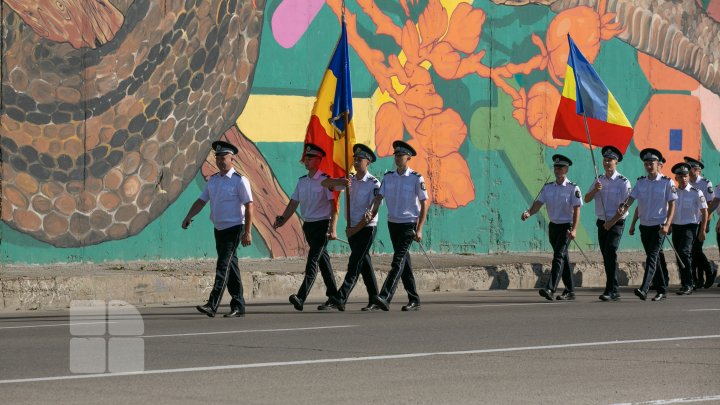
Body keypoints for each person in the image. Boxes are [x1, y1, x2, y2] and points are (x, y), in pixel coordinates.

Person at [182, 140, 253, 318]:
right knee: (231, 267)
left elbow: (249, 206)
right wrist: (189, 216)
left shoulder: (239, 180)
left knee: (223, 266)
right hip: (219, 228)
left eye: (224, 158)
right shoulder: (213, 180)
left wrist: (248, 232)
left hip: (234, 228)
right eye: (218, 157)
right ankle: (238, 305)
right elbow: (201, 201)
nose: (221, 161)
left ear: (232, 159)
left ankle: (212, 304)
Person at [273, 143, 338, 311]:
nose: (306, 161)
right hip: (308, 225)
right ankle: (335, 297)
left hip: (322, 224)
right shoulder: (302, 181)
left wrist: (333, 227)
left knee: (313, 261)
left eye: (310, 158)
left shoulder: (325, 180)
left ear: (318, 160)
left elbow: (334, 205)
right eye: (306, 158)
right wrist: (282, 219)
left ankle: (301, 297)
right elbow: (294, 202)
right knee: (323, 262)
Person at [365, 140, 428, 311]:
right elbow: (379, 198)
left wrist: (420, 228)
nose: (398, 158)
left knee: (397, 261)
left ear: (408, 157)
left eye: (401, 155)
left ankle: (384, 297)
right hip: (393, 223)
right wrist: (372, 211)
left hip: (408, 224)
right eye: (396, 155)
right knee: (404, 263)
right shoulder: (388, 177)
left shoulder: (416, 178)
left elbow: (424, 203)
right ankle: (414, 299)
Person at [320, 144, 381, 311]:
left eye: (359, 159)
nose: (355, 162)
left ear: (368, 162)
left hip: (366, 228)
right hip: (351, 227)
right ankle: (375, 297)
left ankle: (341, 297)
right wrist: (339, 181)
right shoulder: (350, 179)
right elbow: (325, 183)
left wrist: (356, 229)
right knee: (364, 263)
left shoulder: (374, 184)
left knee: (354, 263)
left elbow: (372, 214)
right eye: (354, 159)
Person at [611, 148, 677, 301]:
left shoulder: (667, 182)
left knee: (652, 257)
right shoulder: (641, 182)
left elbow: (672, 204)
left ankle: (644, 288)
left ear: (658, 164)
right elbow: (631, 199)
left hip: (659, 227)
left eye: (651, 163)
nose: (648, 166)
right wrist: (624, 207)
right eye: (646, 163)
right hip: (644, 226)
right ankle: (662, 289)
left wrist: (668, 224)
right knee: (654, 257)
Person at [522, 154, 582, 301]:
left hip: (566, 227)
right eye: (555, 167)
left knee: (558, 257)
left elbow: (577, 209)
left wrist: (574, 229)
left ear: (566, 169)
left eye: (560, 167)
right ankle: (570, 290)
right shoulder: (548, 187)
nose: (557, 169)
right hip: (553, 227)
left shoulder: (572, 188)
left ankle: (550, 288)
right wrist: (529, 212)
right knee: (563, 257)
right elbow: (539, 203)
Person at [584, 145, 630, 301]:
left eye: (610, 160)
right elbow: (586, 199)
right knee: (606, 256)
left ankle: (610, 289)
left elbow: (625, 207)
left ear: (616, 162)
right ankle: (614, 288)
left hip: (616, 222)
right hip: (602, 223)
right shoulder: (599, 180)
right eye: (605, 160)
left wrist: (611, 223)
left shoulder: (623, 182)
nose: (607, 163)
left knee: (610, 251)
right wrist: (595, 190)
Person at [670, 162, 708, 295]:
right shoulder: (673, 192)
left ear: (688, 176)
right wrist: (668, 225)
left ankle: (689, 283)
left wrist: (702, 230)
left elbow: (704, 211)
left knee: (684, 252)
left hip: (690, 226)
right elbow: (670, 209)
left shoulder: (696, 192)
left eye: (685, 176)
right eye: (680, 176)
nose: (683, 179)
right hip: (676, 227)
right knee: (678, 255)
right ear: (676, 178)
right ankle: (684, 282)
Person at [684, 156, 717, 289]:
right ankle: (698, 280)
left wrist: (707, 224)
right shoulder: (686, 182)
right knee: (691, 251)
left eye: (689, 167)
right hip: (688, 221)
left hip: (700, 222)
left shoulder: (705, 183)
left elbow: (710, 205)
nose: (686, 170)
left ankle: (709, 272)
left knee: (696, 250)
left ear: (697, 170)